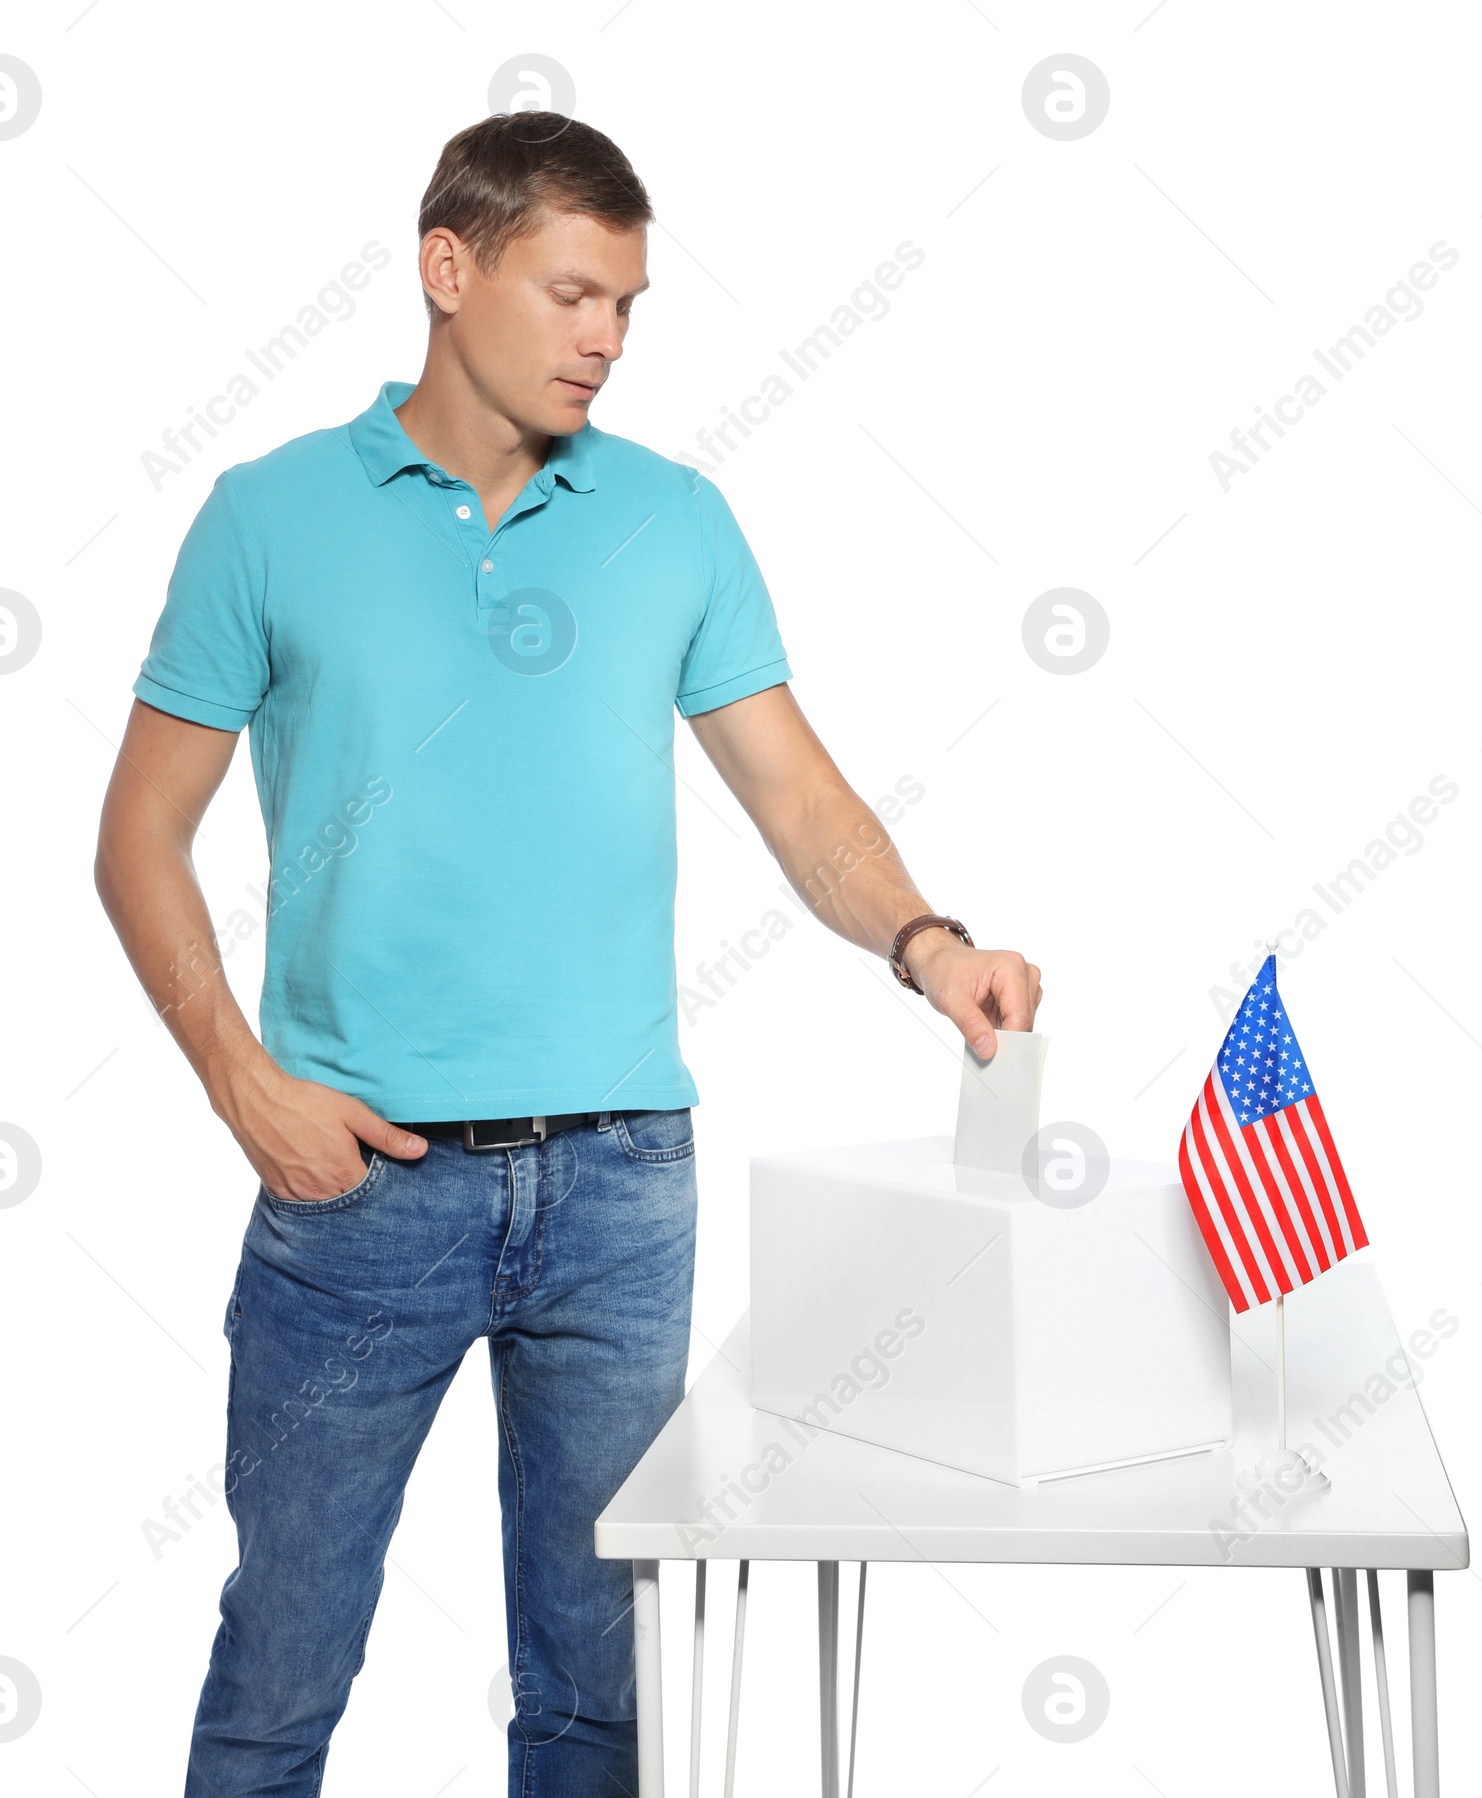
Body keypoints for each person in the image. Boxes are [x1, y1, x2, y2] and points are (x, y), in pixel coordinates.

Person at [95, 110, 1041, 1798]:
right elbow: (136, 836)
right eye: (573, 292)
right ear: (448, 272)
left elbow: (796, 794)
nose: (607, 337)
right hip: (358, 1192)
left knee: (606, 1700)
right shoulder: (270, 514)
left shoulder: (673, 520)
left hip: (620, 1191)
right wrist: (244, 1082)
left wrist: (923, 938)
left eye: (631, 304)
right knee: (279, 1678)